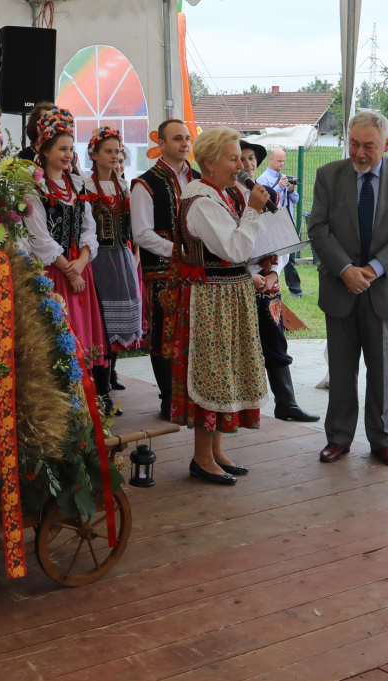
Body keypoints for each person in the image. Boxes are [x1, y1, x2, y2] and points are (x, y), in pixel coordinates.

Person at [308, 110, 388, 467]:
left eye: (368, 146)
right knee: (341, 370)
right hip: (340, 290)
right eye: (353, 144)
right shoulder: (328, 175)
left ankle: (382, 441)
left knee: (381, 371)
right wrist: (345, 270)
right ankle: (338, 438)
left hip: (384, 290)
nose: (359, 153)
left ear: (386, 145)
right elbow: (318, 228)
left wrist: (372, 269)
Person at [162, 126, 271, 486]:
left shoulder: (221, 194)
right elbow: (235, 250)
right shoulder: (203, 201)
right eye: (233, 158)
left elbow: (242, 248)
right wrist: (253, 211)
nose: (241, 165)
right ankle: (201, 457)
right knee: (212, 374)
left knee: (224, 373)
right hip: (210, 300)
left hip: (227, 296)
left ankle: (216, 452)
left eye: (241, 157)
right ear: (209, 162)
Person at [23, 108, 109, 387]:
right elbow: (38, 235)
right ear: (44, 150)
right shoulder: (33, 187)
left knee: (82, 336)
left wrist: (83, 261)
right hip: (53, 271)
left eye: (71, 148)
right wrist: (68, 270)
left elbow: (88, 226)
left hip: (79, 268)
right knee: (57, 335)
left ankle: (89, 397)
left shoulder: (77, 183)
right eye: (61, 148)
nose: (68, 154)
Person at [237, 141, 319, 423]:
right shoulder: (224, 197)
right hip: (238, 281)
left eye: (252, 159)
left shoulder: (268, 193)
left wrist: (272, 274)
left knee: (276, 339)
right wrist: (250, 274)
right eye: (242, 159)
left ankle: (287, 403)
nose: (248, 164)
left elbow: (282, 240)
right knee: (241, 344)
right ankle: (241, 407)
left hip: (268, 281)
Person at [130, 118, 197, 418]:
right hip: (162, 272)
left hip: (195, 271)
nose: (185, 144)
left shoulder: (198, 179)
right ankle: (168, 398)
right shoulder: (146, 183)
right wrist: (180, 253)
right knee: (162, 335)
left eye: (187, 138)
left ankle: (192, 395)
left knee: (193, 332)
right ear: (162, 144)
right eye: (178, 139)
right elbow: (142, 233)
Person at [83, 126, 142, 416]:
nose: (113, 156)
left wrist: (135, 255)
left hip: (120, 259)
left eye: (117, 151)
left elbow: (131, 227)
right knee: (98, 329)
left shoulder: (122, 185)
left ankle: (104, 391)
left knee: (113, 332)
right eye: (108, 151)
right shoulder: (85, 185)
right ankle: (97, 392)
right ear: (93, 154)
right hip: (95, 262)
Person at [258, 147, 304, 297]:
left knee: (290, 256)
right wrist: (278, 187)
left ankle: (295, 289)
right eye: (279, 160)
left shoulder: (284, 177)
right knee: (276, 257)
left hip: (287, 222)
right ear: (270, 160)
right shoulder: (263, 179)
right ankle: (286, 287)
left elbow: (296, 200)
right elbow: (263, 202)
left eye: (283, 160)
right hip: (272, 224)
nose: (282, 164)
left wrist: (290, 190)